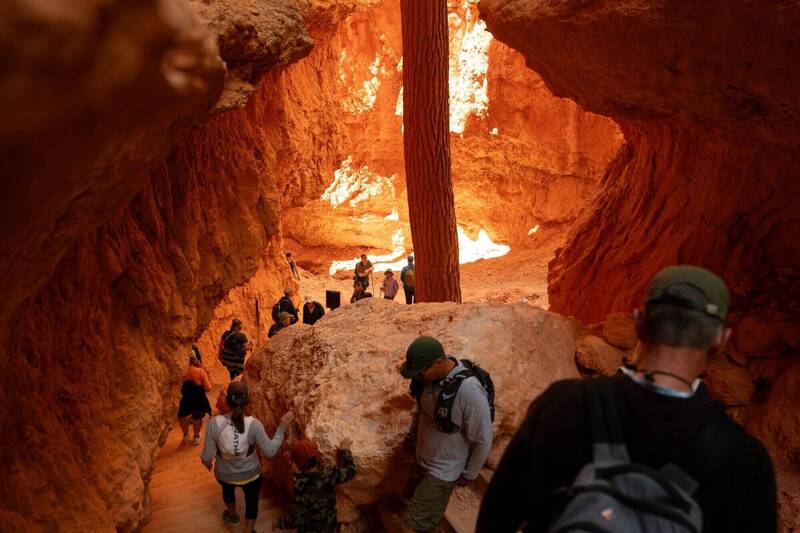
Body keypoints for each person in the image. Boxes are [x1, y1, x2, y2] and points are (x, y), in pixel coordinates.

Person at [476, 265, 777, 533]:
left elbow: (497, 517)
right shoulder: (744, 460)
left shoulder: (565, 403)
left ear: (639, 322)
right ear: (720, 341)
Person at [400, 336, 493, 532]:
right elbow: (421, 412)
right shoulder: (429, 378)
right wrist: (411, 436)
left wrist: (470, 474)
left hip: (443, 470)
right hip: (422, 458)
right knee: (415, 508)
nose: (419, 377)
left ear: (438, 363)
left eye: (421, 372)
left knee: (413, 526)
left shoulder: (469, 391)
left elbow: (483, 439)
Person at [201, 381, 294, 531]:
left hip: (224, 474)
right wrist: (282, 426)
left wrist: (208, 464)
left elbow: (207, 457)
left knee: (228, 491)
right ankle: (248, 530)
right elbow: (270, 451)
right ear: (248, 402)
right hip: (251, 474)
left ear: (227, 401)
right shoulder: (254, 424)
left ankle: (232, 516)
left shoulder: (214, 423)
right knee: (251, 502)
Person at [273, 438, 357, 532]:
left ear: (299, 464)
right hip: (329, 526)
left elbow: (295, 520)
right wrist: (345, 451)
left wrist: (279, 523)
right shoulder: (329, 473)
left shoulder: (300, 486)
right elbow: (351, 471)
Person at [177, 353, 212, 445]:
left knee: (182, 415)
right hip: (198, 398)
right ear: (194, 361)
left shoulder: (180, 372)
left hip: (184, 398)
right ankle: (196, 437)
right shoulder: (200, 372)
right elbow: (208, 388)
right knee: (197, 416)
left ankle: (186, 436)